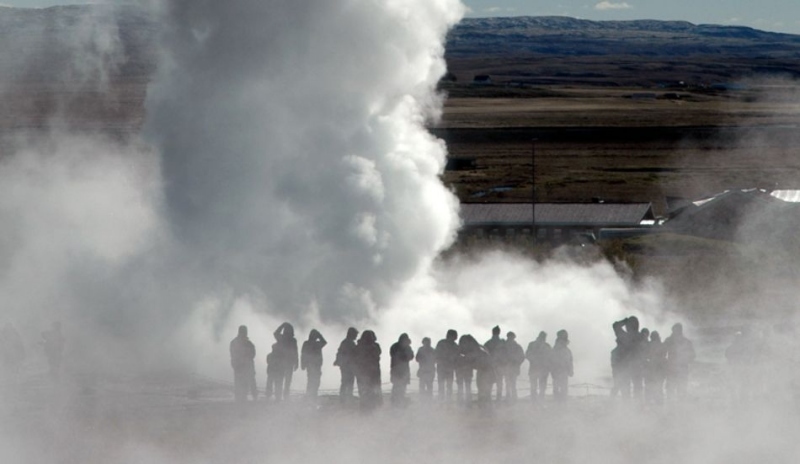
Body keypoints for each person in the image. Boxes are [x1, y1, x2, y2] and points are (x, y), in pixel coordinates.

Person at [612, 316, 646, 399]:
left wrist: (625, 321)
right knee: (636, 388)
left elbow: (615, 325)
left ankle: (629, 405)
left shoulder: (623, 336)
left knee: (627, 389)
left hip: (627, 365)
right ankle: (636, 406)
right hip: (634, 366)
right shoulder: (641, 336)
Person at [460, 334, 493, 408]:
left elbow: (468, 359)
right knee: (486, 394)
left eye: (464, 343)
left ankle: (486, 411)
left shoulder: (475, 350)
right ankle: (487, 412)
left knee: (484, 393)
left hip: (485, 373)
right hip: (486, 372)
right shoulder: (480, 348)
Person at [664, 323, 695, 401]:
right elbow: (692, 356)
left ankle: (673, 409)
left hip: (674, 368)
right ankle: (680, 409)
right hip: (680, 369)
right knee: (680, 390)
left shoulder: (669, 340)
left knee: (672, 390)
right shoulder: (686, 342)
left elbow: (661, 352)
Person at [354, 330, 382, 410]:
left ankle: (367, 409)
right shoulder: (374, 346)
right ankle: (369, 409)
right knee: (370, 391)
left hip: (367, 372)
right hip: (369, 372)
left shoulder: (359, 346)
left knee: (367, 391)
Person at [271, 322, 299, 401]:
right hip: (283, 363)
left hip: (287, 363)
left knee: (285, 381)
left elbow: (295, 351)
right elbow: (275, 333)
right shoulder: (283, 338)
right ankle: (279, 397)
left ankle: (282, 397)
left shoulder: (283, 338)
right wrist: (296, 362)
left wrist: (296, 362)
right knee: (281, 381)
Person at [230, 325, 257, 402]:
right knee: (241, 382)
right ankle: (241, 398)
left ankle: (251, 397)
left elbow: (253, 354)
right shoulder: (239, 343)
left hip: (246, 366)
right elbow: (233, 354)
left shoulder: (247, 343)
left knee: (249, 382)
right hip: (240, 366)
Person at [334, 327, 359, 404]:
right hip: (348, 366)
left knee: (346, 382)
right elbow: (353, 353)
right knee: (347, 382)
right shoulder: (349, 343)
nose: (356, 336)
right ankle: (346, 397)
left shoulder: (345, 342)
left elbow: (339, 352)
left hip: (346, 365)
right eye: (355, 334)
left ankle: (345, 397)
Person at [301, 329, 327, 400]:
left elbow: (303, 354)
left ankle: (312, 395)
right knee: (312, 380)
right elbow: (303, 354)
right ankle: (310, 395)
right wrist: (319, 335)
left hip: (315, 365)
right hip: (313, 365)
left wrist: (303, 364)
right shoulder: (315, 344)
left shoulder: (309, 343)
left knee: (314, 380)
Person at [390, 333, 414, 406]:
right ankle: (396, 400)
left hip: (401, 370)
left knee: (401, 386)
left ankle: (398, 400)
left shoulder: (396, 346)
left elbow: (411, 356)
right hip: (398, 369)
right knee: (397, 385)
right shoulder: (397, 347)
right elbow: (394, 355)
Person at [526, 331, 551, 400]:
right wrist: (535, 360)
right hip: (536, 369)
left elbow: (551, 357)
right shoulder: (533, 345)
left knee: (541, 388)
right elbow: (528, 355)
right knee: (536, 387)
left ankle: (538, 401)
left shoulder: (546, 346)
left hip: (541, 369)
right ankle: (536, 402)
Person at [435, 329, 459, 401]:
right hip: (445, 368)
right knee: (445, 385)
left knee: (446, 385)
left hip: (446, 368)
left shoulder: (441, 343)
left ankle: (445, 400)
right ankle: (445, 400)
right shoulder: (453, 345)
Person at [484, 326, 506, 401]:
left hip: (491, 366)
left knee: (489, 384)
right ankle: (498, 400)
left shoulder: (488, 343)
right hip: (498, 366)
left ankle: (488, 399)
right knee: (499, 384)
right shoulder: (502, 343)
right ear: (499, 332)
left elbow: (484, 355)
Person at [551, 330, 573, 401]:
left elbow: (569, 361)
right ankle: (560, 404)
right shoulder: (563, 350)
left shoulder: (557, 349)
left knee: (560, 389)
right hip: (560, 371)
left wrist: (570, 370)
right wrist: (570, 370)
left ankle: (559, 404)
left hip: (560, 372)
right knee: (560, 389)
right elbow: (569, 361)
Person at [645, 330, 667, 404]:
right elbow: (664, 354)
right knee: (659, 387)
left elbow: (646, 355)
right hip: (660, 368)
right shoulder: (662, 345)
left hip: (652, 368)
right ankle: (659, 404)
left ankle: (649, 404)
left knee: (649, 387)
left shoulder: (649, 345)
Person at [505, 331, 525, 401]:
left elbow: (522, 357)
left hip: (511, 367)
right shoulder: (516, 346)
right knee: (509, 384)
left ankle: (511, 398)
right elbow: (522, 357)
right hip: (508, 367)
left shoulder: (516, 346)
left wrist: (517, 363)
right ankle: (511, 398)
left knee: (511, 384)